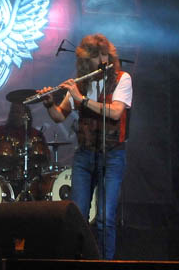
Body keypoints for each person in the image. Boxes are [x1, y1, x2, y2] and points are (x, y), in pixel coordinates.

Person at [39, 34, 132, 260]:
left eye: (104, 55)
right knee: (78, 217)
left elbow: (115, 112)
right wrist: (50, 104)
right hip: (85, 156)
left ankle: (104, 262)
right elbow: (59, 116)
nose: (101, 61)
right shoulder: (81, 83)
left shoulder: (122, 79)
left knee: (105, 219)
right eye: (95, 57)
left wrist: (81, 99)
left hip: (112, 156)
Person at [0, 102, 48, 182]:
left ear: (26, 115)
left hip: (30, 175)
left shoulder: (35, 134)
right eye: (13, 112)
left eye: (18, 112)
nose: (15, 115)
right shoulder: (1, 131)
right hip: (4, 176)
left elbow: (45, 157)